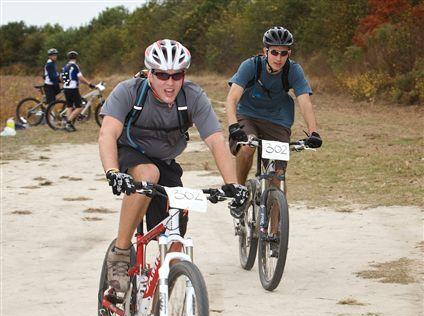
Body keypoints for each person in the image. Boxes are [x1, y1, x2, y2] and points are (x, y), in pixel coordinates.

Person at [99, 39, 247, 298]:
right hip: (131, 154)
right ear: (149, 74)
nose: (170, 82)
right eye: (162, 75)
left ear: (184, 75)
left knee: (174, 238)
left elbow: (215, 140)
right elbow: (107, 134)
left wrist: (233, 184)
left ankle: (161, 311)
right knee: (148, 175)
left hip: (166, 163)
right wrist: (113, 173)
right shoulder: (129, 92)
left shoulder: (192, 96)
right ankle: (121, 253)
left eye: (176, 75)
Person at [226, 26, 322, 191]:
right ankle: (239, 192)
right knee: (247, 147)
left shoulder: (293, 70)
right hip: (248, 115)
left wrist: (313, 132)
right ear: (265, 51)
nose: (278, 58)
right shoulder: (251, 66)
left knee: (278, 177)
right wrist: (233, 125)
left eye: (283, 53)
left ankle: (277, 215)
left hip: (278, 120)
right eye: (274, 52)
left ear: (289, 54)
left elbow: (305, 102)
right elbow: (232, 98)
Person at [61, 50, 96, 132]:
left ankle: (69, 125)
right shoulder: (75, 66)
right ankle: (68, 123)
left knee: (69, 107)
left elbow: (61, 78)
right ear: (76, 58)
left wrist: (66, 83)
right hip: (73, 88)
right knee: (79, 108)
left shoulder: (65, 67)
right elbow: (80, 78)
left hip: (66, 88)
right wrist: (89, 84)